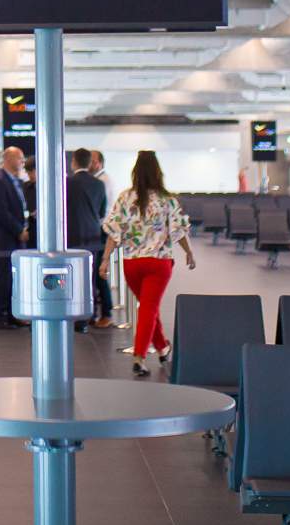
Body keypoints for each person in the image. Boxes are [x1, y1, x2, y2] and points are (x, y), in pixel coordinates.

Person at [101, 151, 195, 378]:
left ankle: (162, 347)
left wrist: (105, 259)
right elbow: (178, 231)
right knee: (148, 308)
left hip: (131, 264)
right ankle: (139, 357)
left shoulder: (125, 198)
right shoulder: (167, 199)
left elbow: (114, 232)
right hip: (159, 263)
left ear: (135, 172)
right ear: (158, 172)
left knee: (147, 307)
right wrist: (189, 252)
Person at [67, 148, 110, 332]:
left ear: (74, 162)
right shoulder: (99, 184)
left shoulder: (67, 183)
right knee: (90, 278)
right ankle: (88, 316)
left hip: (72, 237)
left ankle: (76, 316)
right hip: (93, 237)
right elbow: (101, 212)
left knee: (73, 278)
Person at [0, 147, 29, 329]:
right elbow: (1, 212)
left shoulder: (14, 180)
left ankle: (12, 314)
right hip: (5, 238)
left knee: (13, 278)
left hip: (15, 237)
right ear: (9, 158)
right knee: (3, 277)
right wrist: (18, 230)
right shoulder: (0, 181)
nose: (23, 162)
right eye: (20, 158)